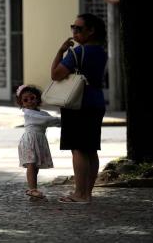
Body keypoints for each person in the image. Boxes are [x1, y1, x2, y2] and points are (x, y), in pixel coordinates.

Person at [50, 13, 107, 204]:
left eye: (79, 28)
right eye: (72, 27)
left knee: (78, 149)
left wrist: (61, 51)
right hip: (96, 102)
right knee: (91, 149)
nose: (74, 31)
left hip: (77, 104)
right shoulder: (101, 51)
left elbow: (56, 74)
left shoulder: (77, 53)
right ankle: (88, 193)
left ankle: (80, 194)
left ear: (91, 31)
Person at [16, 84, 60, 201]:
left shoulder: (42, 113)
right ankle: (32, 189)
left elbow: (52, 121)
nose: (29, 101)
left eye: (32, 98)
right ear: (22, 104)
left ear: (38, 98)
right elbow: (48, 120)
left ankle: (33, 188)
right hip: (30, 140)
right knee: (31, 164)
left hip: (38, 140)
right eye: (25, 100)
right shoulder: (29, 113)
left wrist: (61, 122)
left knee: (35, 166)